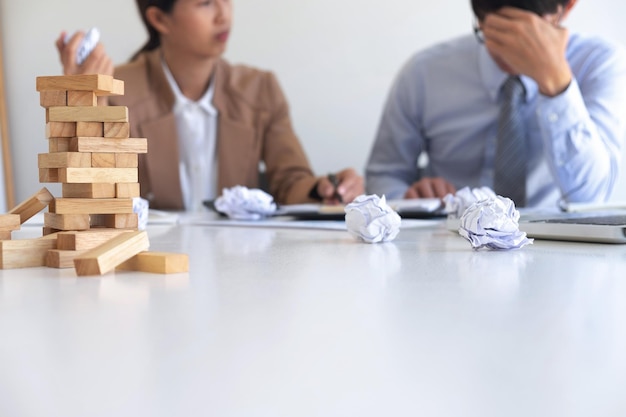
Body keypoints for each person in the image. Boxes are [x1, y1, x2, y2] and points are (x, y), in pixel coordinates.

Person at [56, 0, 363, 211]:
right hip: (148, 272)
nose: (223, 14)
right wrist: (85, 104)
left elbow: (291, 182)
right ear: (159, 19)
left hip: (240, 271)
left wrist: (323, 188)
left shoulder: (261, 89)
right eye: (204, 2)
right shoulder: (113, 87)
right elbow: (97, 201)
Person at [365, 0, 626, 208]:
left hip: (561, 252)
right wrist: (409, 201)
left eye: (528, 35)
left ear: (567, 7)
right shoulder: (424, 72)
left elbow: (592, 198)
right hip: (450, 248)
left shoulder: (600, 65)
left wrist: (556, 84)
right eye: (493, 34)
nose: (507, 50)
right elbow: (384, 175)